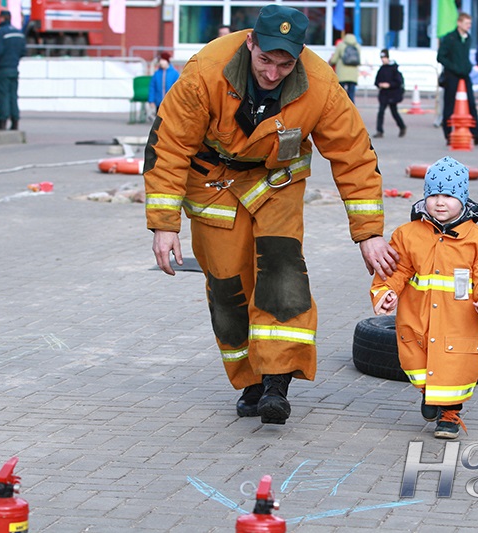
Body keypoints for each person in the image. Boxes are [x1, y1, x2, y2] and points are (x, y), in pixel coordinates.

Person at [143, 4, 398, 426]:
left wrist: (369, 232)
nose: (274, 73)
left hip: (276, 183)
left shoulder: (319, 84)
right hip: (214, 185)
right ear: (250, 43)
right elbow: (168, 146)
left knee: (281, 273)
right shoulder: (207, 70)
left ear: (299, 54)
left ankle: (277, 381)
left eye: (285, 63)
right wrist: (163, 225)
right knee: (227, 284)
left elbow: (353, 156)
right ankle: (250, 382)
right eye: (265, 60)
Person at [369, 156, 478, 439]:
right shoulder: (407, 235)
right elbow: (397, 270)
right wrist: (386, 292)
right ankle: (429, 393)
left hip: (457, 324)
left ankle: (449, 415)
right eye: (433, 194)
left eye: (448, 195)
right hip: (417, 320)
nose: (440, 202)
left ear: (463, 198)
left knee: (454, 369)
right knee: (414, 362)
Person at [438, 12, 478, 146]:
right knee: (449, 106)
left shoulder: (468, 38)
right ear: (459, 23)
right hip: (452, 76)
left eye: (470, 24)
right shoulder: (450, 38)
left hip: (464, 75)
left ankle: (477, 134)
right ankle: (449, 135)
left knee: (471, 105)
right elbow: (440, 57)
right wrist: (453, 67)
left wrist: (467, 67)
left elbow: (465, 56)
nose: (469, 26)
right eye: (467, 23)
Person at [0, 10, 26, 131]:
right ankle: (15, 121)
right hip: (14, 68)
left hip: (3, 68)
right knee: (13, 96)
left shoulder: (1, 32)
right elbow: (23, 51)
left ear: (2, 18)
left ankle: (2, 121)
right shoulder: (18, 33)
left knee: (3, 96)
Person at [372, 49, 406, 138]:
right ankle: (379, 131)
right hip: (383, 94)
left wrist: (389, 85)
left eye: (384, 57)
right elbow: (376, 81)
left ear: (388, 57)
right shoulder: (381, 69)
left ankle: (402, 126)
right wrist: (379, 84)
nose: (383, 59)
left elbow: (398, 82)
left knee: (394, 112)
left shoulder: (394, 69)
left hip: (392, 94)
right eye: (382, 58)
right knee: (381, 112)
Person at [328, 33, 360, 103]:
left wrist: (330, 62)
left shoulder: (341, 45)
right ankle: (352, 112)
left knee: (341, 94)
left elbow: (334, 60)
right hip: (353, 75)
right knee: (351, 95)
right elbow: (358, 60)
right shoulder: (357, 46)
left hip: (342, 73)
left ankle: (342, 110)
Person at [148, 51, 179, 116]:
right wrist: (151, 100)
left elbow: (178, 88)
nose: (160, 62)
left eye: (162, 60)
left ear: (166, 61)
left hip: (170, 103)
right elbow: (152, 87)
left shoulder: (174, 74)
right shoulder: (157, 74)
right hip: (159, 102)